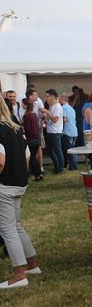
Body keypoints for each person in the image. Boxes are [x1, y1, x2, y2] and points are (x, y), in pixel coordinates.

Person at [0, 99, 40, 289]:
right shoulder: (14, 127)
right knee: (16, 226)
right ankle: (32, 265)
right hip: (19, 182)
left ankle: (19, 275)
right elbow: (27, 155)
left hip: (4, 185)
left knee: (7, 229)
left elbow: (0, 160)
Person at [41, 89, 64, 174]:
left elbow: (55, 119)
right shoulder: (52, 107)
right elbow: (50, 119)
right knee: (50, 151)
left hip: (56, 132)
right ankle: (57, 166)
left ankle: (60, 169)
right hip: (50, 131)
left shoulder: (57, 107)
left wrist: (46, 111)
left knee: (58, 150)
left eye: (48, 96)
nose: (46, 98)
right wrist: (45, 120)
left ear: (53, 97)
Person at [21, 101, 43, 180]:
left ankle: (37, 174)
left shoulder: (26, 116)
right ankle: (39, 173)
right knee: (33, 156)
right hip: (36, 138)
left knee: (32, 157)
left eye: (23, 104)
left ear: (26, 105)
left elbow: (28, 128)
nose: (22, 105)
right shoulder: (34, 115)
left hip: (30, 139)